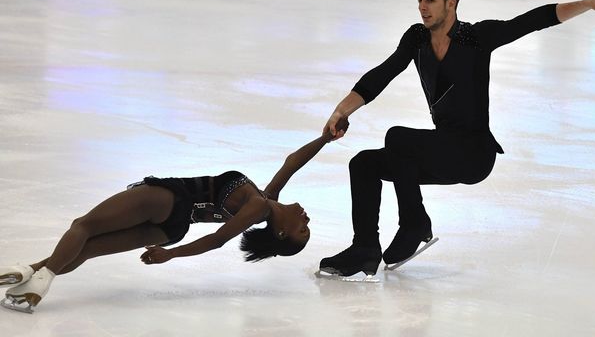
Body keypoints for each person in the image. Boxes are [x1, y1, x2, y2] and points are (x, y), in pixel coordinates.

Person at [319, 0, 595, 277]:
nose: (422, 7)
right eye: (419, 1)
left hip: (473, 154)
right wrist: (341, 111)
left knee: (398, 138)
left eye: (430, 0)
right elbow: (382, 74)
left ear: (450, 4)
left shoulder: (476, 38)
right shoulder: (416, 39)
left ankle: (414, 223)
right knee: (363, 164)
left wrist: (587, 2)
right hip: (442, 151)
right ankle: (365, 248)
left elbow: (533, 20)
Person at [0, 118, 348, 313]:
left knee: (83, 226)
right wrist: (324, 140)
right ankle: (27, 275)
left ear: (281, 234)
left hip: (170, 201)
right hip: (172, 228)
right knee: (87, 248)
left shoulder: (257, 207)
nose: (307, 221)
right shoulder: (266, 200)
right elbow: (292, 162)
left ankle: (39, 279)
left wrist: (172, 256)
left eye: (303, 232)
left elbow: (217, 239)